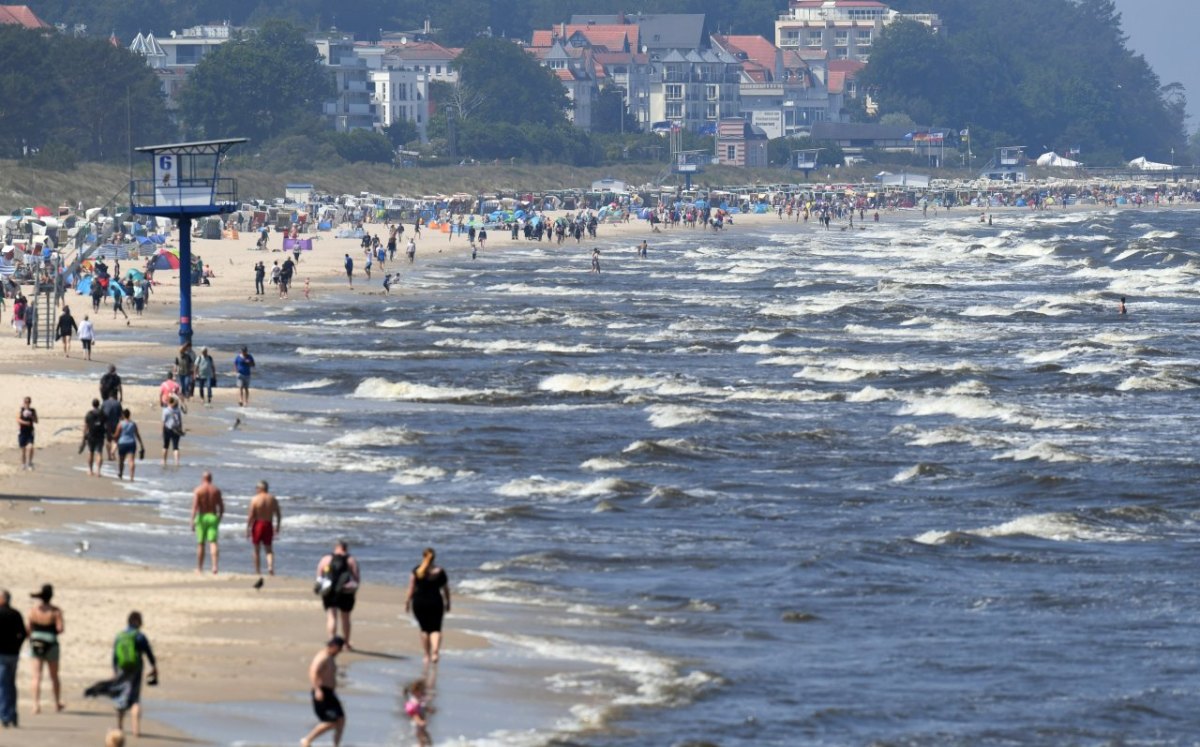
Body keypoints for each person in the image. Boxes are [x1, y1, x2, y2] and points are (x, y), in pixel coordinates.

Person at [111, 611, 157, 738]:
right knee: (135, 699)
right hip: (136, 668)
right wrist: (154, 666)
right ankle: (136, 730)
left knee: (121, 696)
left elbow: (114, 656)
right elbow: (149, 653)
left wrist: (115, 671)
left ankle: (120, 727)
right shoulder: (140, 636)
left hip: (122, 668)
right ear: (137, 622)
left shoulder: (119, 636)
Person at [405, 548, 450, 665]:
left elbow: (411, 588)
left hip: (419, 602)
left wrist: (407, 602)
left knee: (424, 629)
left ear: (423, 556)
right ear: (434, 557)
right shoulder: (440, 571)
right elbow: (446, 589)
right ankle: (435, 651)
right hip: (436, 602)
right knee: (436, 629)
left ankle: (426, 655)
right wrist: (448, 602)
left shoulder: (416, 571)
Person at [300, 637, 346, 747]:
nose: (340, 652)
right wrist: (317, 690)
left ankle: (336, 745)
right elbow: (312, 671)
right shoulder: (323, 657)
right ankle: (307, 740)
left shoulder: (330, 656)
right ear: (334, 646)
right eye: (339, 649)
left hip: (330, 693)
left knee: (341, 720)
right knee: (331, 721)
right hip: (322, 693)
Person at [26, 584, 64, 714]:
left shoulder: (34, 610)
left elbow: (28, 628)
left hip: (36, 642)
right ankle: (57, 703)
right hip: (51, 642)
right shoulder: (55, 611)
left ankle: (35, 704)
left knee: (36, 676)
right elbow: (60, 629)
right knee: (54, 676)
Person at [315, 541, 359, 649]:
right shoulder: (351, 560)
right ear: (346, 548)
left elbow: (319, 576)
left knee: (331, 616)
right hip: (345, 592)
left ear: (336, 548)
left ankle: (332, 641)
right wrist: (353, 591)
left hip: (329, 591)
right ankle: (347, 643)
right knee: (345, 618)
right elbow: (357, 578)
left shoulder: (325, 559)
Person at [0, 590, 26, 728]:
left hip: (2, 654)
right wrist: (17, 646)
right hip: (13, 653)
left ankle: (5, 715)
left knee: (3, 686)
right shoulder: (15, 614)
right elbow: (23, 633)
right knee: (11, 684)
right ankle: (13, 714)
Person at [191, 471, 224, 574]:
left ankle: (200, 568)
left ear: (202, 478)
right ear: (211, 479)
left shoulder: (198, 490)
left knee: (201, 543)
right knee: (213, 542)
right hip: (213, 516)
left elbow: (195, 507)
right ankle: (214, 567)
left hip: (202, 517)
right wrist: (219, 518)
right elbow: (221, 507)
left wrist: (192, 520)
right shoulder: (216, 490)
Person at [247, 480, 282, 578]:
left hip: (258, 524)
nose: (256, 490)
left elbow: (251, 515)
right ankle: (270, 567)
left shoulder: (255, 499)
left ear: (261, 488)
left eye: (257, 488)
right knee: (269, 549)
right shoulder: (273, 499)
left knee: (256, 549)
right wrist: (278, 526)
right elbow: (278, 514)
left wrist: (248, 528)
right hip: (268, 524)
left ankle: (258, 571)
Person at [114, 409, 145, 482]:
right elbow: (137, 434)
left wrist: (112, 436)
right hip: (131, 443)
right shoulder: (133, 424)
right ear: (129, 415)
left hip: (122, 443)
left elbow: (116, 435)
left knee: (121, 460)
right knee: (131, 461)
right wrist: (141, 444)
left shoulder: (120, 424)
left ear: (123, 415)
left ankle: (121, 473)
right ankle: (132, 477)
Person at [83, 399, 108, 477]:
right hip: (100, 435)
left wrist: (84, 436)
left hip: (91, 435)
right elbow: (106, 425)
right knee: (99, 453)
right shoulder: (102, 413)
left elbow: (86, 426)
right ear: (99, 404)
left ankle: (90, 470)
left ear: (92, 405)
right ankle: (98, 471)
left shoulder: (89, 414)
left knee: (91, 452)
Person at [161, 395, 185, 467]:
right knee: (176, 447)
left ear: (168, 402)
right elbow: (180, 421)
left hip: (167, 429)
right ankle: (177, 462)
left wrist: (162, 431)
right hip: (176, 429)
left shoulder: (165, 411)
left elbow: (163, 422)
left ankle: (164, 461)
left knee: (165, 446)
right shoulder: (177, 410)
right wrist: (180, 429)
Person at [17, 396, 37, 471]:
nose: (27, 403)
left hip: (30, 432)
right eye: (25, 402)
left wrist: (32, 417)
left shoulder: (33, 410)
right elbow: (18, 419)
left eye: (28, 402)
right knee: (23, 450)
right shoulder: (21, 410)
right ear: (24, 402)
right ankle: (23, 464)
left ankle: (30, 463)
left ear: (30, 402)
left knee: (31, 447)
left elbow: (36, 421)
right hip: (22, 432)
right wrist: (25, 423)